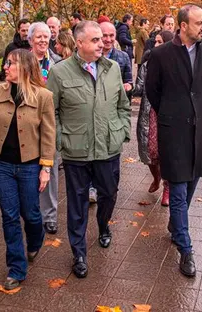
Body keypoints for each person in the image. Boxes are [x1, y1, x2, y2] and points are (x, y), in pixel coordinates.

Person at [46, 20, 131, 279]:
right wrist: (62, 140)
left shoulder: (113, 68)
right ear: (79, 43)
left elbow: (122, 105)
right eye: (95, 40)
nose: (102, 43)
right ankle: (79, 252)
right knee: (77, 203)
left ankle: (104, 225)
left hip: (108, 148)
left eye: (102, 39)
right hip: (77, 151)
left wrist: (122, 129)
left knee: (109, 193)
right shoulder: (60, 72)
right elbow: (52, 113)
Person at [146, 4, 202, 278]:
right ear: (183, 25)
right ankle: (185, 249)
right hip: (172, 130)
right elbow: (153, 91)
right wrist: (170, 113)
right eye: (198, 23)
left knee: (190, 186)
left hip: (200, 131)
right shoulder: (161, 54)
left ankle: (176, 226)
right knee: (176, 189)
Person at [0, 49, 55, 291]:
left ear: (25, 68)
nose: (6, 67)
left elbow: (49, 135)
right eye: (6, 63)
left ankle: (35, 240)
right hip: (1, 165)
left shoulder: (44, 96)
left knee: (31, 215)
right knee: (9, 216)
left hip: (30, 165)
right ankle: (16, 268)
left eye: (11, 64)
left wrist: (46, 168)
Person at [86, 20, 133, 204]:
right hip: (92, 114)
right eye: (104, 36)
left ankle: (109, 187)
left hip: (113, 114)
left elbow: (130, 82)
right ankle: (92, 186)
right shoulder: (89, 59)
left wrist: (127, 87)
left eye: (111, 36)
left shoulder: (121, 58)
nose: (107, 39)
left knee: (111, 154)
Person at [27, 22, 62, 233]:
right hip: (26, 122)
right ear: (30, 40)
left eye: (45, 36)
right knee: (28, 169)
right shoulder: (21, 61)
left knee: (50, 167)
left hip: (51, 122)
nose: (42, 40)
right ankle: (32, 212)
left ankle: (49, 215)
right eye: (38, 37)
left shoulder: (57, 63)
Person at [134, 30, 173, 197]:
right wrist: (126, 88)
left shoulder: (175, 64)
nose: (156, 45)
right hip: (149, 113)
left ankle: (167, 187)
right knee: (149, 150)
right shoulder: (147, 63)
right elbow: (139, 87)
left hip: (167, 114)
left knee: (166, 151)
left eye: (160, 41)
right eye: (155, 41)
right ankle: (156, 177)